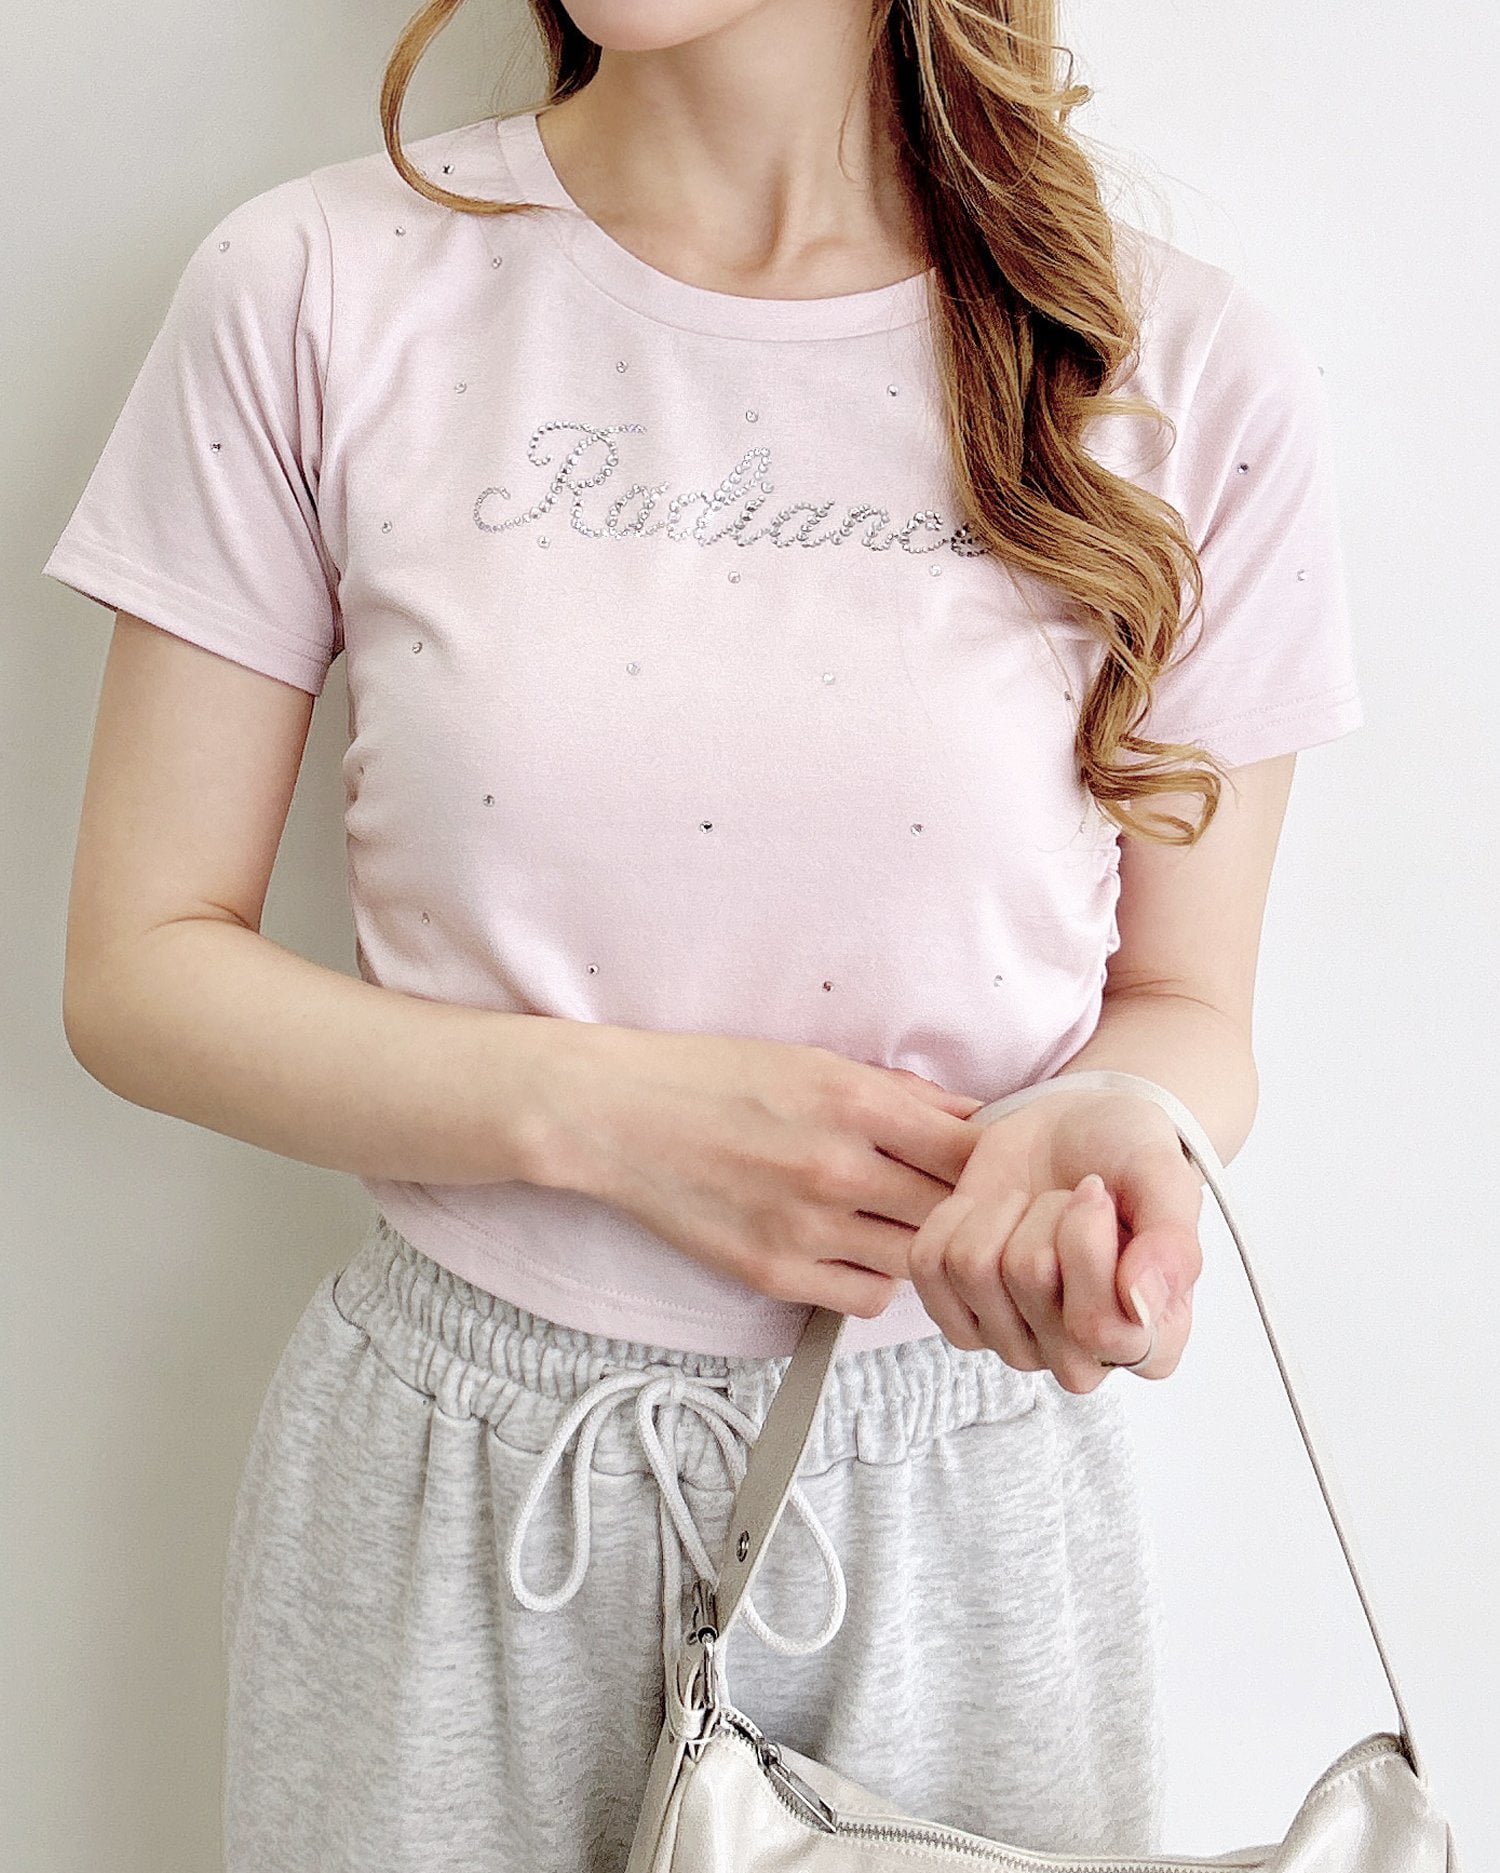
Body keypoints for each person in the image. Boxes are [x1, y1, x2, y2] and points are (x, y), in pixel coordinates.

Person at [44, 2, 1364, 1867]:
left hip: (956, 1525)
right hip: (453, 1506)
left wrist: (1107, 1135)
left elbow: (1185, 1000)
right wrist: (611, 1120)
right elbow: (140, 965)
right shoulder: (318, 284)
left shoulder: (1176, 366)